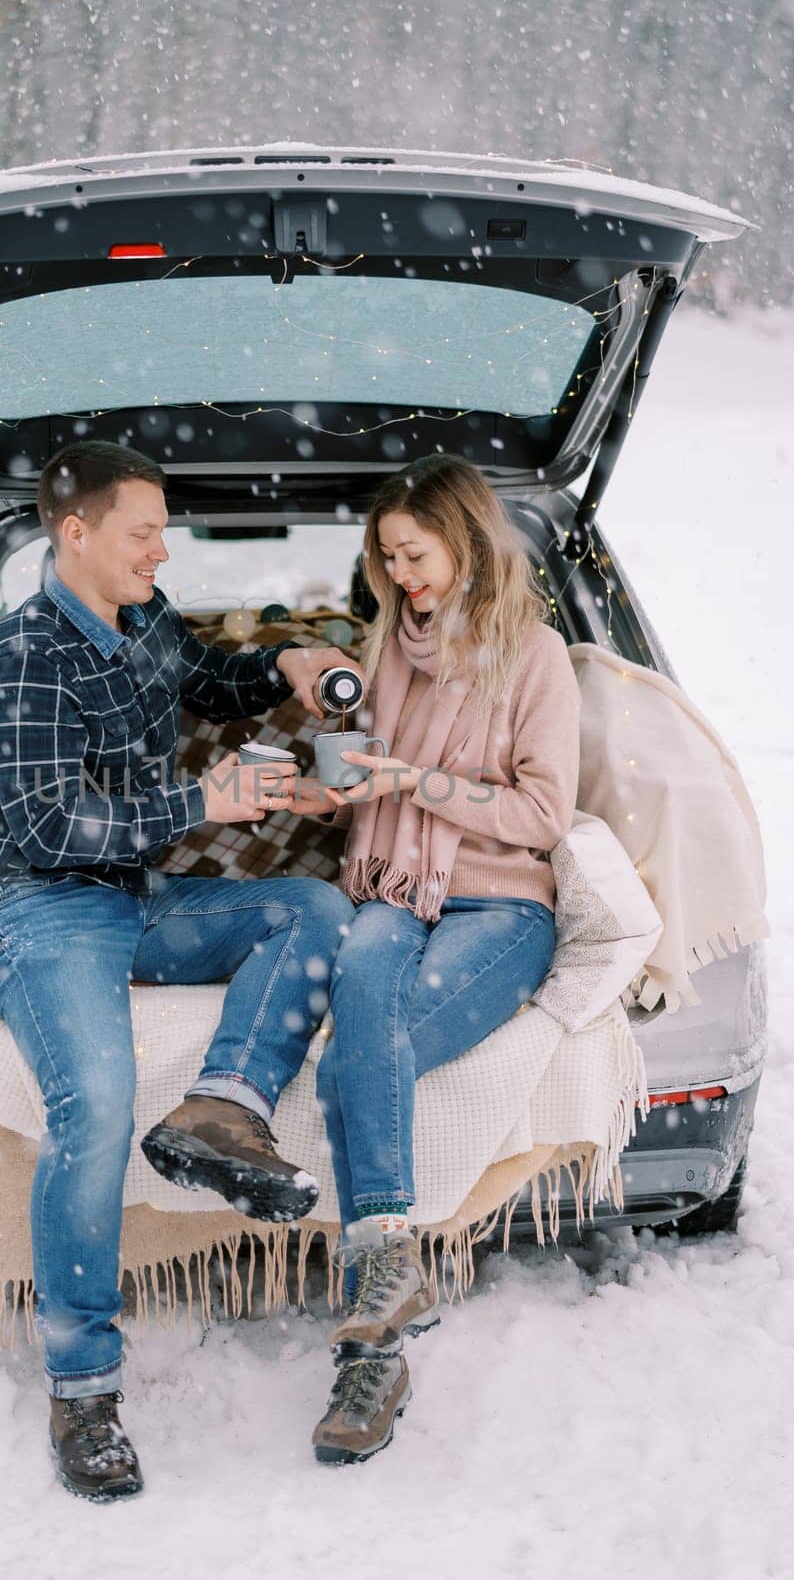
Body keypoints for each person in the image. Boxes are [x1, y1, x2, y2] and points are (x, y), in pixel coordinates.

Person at [0, 440, 355, 1501]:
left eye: (162, 532)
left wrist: (285, 667)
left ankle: (219, 1110)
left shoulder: (145, 620)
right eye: (143, 532)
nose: (161, 551)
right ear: (74, 533)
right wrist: (199, 806)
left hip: (127, 894)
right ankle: (83, 1386)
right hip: (29, 905)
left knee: (308, 907)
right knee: (96, 1100)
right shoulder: (22, 653)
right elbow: (45, 826)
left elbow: (208, 681)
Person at [288, 454, 581, 1465]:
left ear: (463, 539)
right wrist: (326, 790)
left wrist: (417, 781)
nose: (402, 576)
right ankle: (389, 1286)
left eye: (413, 554)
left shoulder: (534, 656)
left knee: (352, 1060)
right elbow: (364, 770)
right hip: (389, 893)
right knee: (365, 999)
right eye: (386, 560)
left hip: (498, 903)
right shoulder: (389, 645)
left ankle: (372, 1344)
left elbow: (542, 814)